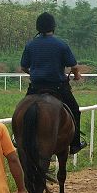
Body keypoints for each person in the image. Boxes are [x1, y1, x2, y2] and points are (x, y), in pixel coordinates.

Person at [20, 12, 87, 154]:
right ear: (53, 27)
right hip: (58, 87)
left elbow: (24, 67)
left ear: (38, 27)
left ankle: (17, 137)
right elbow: (74, 66)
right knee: (75, 110)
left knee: (22, 110)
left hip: (35, 88)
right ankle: (75, 143)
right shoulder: (61, 44)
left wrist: (34, 73)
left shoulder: (30, 45)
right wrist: (77, 75)